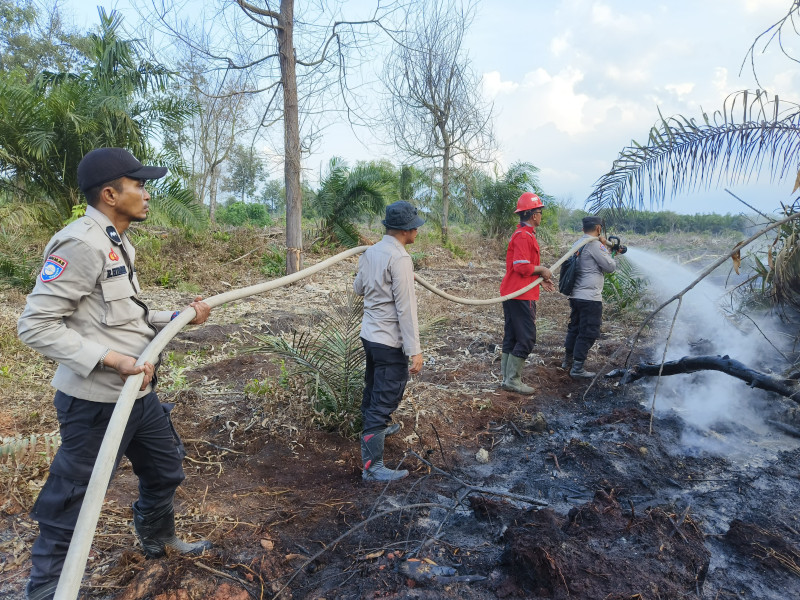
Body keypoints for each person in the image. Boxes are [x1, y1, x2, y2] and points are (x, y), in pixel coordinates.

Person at [17, 148, 213, 600]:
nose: (147, 195)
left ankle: (157, 537)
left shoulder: (116, 238)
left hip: (137, 395)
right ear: (110, 193)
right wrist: (112, 358)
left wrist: (176, 315)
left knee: (166, 469)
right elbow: (36, 325)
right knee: (72, 501)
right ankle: (47, 589)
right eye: (138, 185)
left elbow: (122, 315)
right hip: (94, 402)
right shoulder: (79, 244)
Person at [353, 200, 424, 482]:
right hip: (389, 341)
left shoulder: (372, 252)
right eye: (415, 228)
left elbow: (358, 287)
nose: (417, 233)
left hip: (370, 336)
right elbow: (406, 308)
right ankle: (372, 467)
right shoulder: (401, 258)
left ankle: (376, 430)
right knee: (384, 397)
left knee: (373, 389)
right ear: (405, 230)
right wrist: (414, 350)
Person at [499, 193, 555, 394]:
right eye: (539, 212)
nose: (541, 216)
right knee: (527, 338)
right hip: (521, 296)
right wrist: (542, 270)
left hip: (515, 292)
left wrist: (541, 279)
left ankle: (507, 380)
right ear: (532, 215)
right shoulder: (524, 236)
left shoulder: (525, 234)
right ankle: (512, 380)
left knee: (513, 336)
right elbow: (522, 267)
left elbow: (523, 269)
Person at [563, 215, 617, 378]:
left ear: (583, 229)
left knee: (575, 328)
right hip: (590, 297)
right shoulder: (594, 245)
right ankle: (578, 368)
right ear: (599, 229)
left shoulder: (578, 243)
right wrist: (609, 253)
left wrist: (606, 250)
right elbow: (610, 267)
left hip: (576, 295)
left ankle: (568, 361)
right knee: (588, 331)